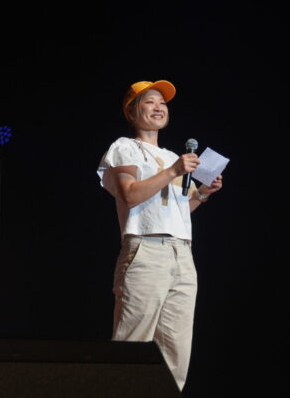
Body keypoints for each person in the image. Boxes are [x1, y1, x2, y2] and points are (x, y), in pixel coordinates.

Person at [97, 80, 223, 391]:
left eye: (163, 103)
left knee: (176, 352)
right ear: (132, 111)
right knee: (132, 345)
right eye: (150, 102)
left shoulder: (170, 156)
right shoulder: (124, 147)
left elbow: (178, 210)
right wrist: (174, 171)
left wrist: (202, 194)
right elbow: (130, 195)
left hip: (182, 254)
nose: (159, 107)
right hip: (146, 249)